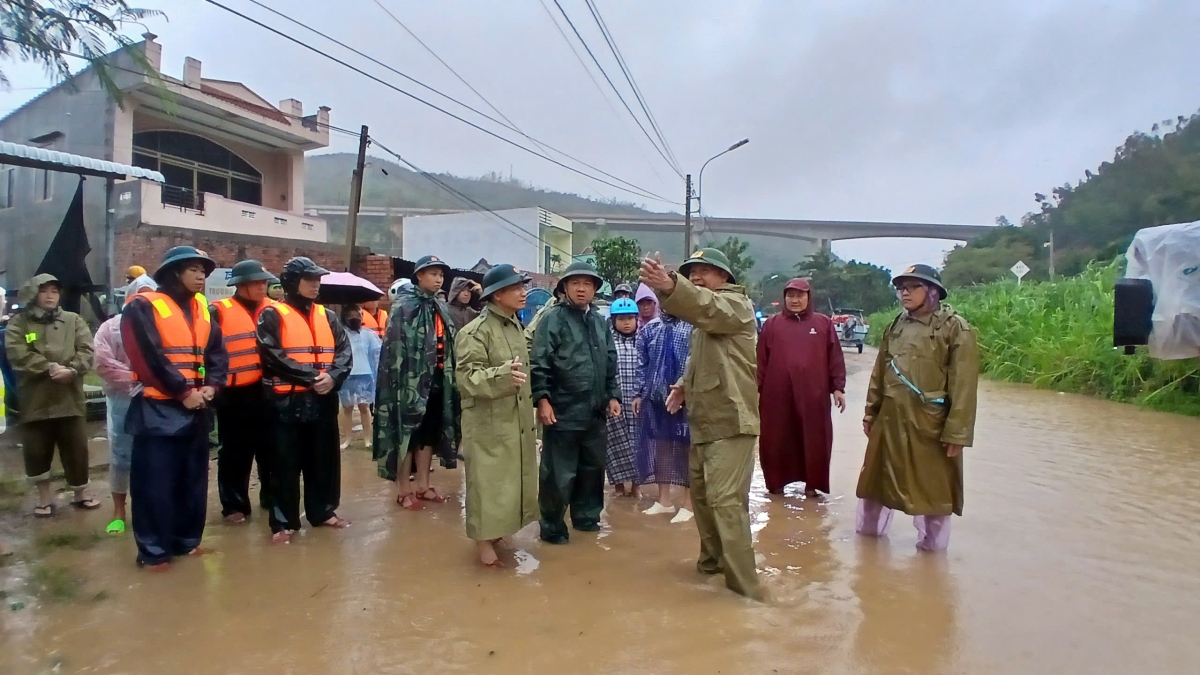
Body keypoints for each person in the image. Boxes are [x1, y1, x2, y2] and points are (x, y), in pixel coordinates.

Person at [639, 248, 764, 601]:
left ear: (724, 276)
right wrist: (682, 385)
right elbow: (700, 358)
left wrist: (670, 285)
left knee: (726, 502)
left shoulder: (735, 305)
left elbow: (707, 308)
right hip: (704, 421)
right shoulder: (702, 324)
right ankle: (712, 567)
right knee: (706, 501)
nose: (696, 276)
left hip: (732, 422)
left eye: (704, 270)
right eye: (691, 271)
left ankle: (746, 591)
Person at [856, 264, 979, 552]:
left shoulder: (955, 328)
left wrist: (957, 433)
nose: (905, 293)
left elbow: (964, 385)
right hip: (890, 420)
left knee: (933, 490)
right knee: (875, 483)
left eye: (913, 287)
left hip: (930, 424)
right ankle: (867, 548)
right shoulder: (895, 326)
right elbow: (880, 372)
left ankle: (932, 553)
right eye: (901, 288)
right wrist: (871, 411)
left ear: (933, 291)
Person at [122, 247, 228, 569]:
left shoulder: (203, 310)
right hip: (158, 410)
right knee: (154, 486)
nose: (201, 277)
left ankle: (186, 541)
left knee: (192, 482)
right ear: (174, 273)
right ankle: (154, 552)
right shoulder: (143, 306)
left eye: (203, 272)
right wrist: (182, 392)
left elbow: (217, 354)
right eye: (193, 270)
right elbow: (147, 357)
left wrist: (213, 385)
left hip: (197, 409)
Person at [257, 257, 353, 544]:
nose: (316, 285)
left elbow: (344, 352)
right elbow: (272, 355)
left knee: (324, 460)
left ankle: (323, 511)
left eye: (317, 280)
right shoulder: (272, 315)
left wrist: (333, 376)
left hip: (323, 399)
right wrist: (312, 377)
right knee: (283, 463)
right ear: (291, 283)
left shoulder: (328, 316)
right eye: (309, 279)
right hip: (286, 402)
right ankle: (283, 521)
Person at [531, 262, 620, 545]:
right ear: (565, 288)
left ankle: (586, 518)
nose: (581, 289)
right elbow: (539, 362)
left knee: (592, 471)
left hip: (595, 412)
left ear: (594, 289)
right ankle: (553, 527)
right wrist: (542, 399)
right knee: (558, 475)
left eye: (587, 284)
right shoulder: (553, 319)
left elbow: (610, 361)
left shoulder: (599, 322)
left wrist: (613, 395)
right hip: (563, 411)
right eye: (575, 283)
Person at [455, 264, 538, 568]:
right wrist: (502, 376)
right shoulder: (474, 332)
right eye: (516, 288)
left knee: (511, 479)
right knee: (486, 483)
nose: (523, 293)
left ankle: (497, 531)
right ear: (497, 295)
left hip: (513, 418)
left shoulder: (514, 326)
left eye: (522, 286)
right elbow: (466, 377)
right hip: (487, 421)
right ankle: (482, 542)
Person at [4, 274, 96, 517]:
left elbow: (87, 349)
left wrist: (73, 370)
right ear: (33, 293)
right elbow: (17, 353)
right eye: (44, 291)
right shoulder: (19, 323)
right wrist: (49, 367)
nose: (49, 296)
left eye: (54, 291)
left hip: (69, 396)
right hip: (35, 398)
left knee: (76, 448)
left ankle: (80, 493)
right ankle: (45, 497)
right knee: (36, 450)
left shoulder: (73, 320)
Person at [373, 255, 461, 510]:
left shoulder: (440, 306)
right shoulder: (404, 307)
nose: (438, 279)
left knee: (429, 434)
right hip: (408, 383)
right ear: (419, 276)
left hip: (438, 381)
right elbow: (394, 351)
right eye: (433, 274)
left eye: (441, 275)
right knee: (407, 435)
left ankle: (423, 485)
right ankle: (404, 489)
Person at [757, 278, 848, 497]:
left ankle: (812, 485)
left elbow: (835, 358)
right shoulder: (772, 324)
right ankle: (776, 484)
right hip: (777, 396)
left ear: (809, 297)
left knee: (815, 437)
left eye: (800, 296)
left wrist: (838, 388)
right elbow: (760, 360)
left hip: (814, 395)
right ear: (784, 298)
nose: (795, 300)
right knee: (775, 437)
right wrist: (756, 390)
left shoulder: (823, 324)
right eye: (790, 296)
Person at [210, 260, 277, 524]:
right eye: (256, 282)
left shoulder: (274, 309)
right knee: (235, 452)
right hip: (233, 393)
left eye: (264, 282)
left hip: (269, 389)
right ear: (240, 285)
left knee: (271, 448)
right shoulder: (218, 311)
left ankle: (271, 496)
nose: (262, 287)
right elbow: (208, 352)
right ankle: (234, 505)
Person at [94, 274, 157, 534]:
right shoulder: (110, 328)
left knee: (155, 454)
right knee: (121, 454)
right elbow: (103, 362)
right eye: (139, 295)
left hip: (157, 396)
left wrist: (154, 379)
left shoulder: (162, 325)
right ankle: (119, 510)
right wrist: (137, 377)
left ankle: (151, 508)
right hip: (122, 399)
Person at [633, 301, 694, 523]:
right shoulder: (650, 328)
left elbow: (698, 362)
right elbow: (642, 363)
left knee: (688, 449)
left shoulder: (693, 327)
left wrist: (687, 389)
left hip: (687, 398)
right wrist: (638, 393)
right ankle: (664, 501)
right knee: (662, 447)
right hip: (656, 398)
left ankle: (688, 504)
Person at [605, 298, 641, 498]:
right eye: (621, 319)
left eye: (630, 318)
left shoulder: (643, 341)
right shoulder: (607, 343)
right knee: (614, 444)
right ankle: (618, 487)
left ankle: (637, 486)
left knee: (638, 443)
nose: (626, 323)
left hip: (637, 402)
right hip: (614, 401)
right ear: (613, 321)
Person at [338, 304, 382, 449]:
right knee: (347, 408)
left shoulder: (369, 334)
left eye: (357, 315)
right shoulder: (341, 334)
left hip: (365, 374)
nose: (354, 318)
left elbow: (376, 354)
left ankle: (367, 439)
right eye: (350, 316)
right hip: (347, 375)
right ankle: (347, 439)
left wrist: (377, 373)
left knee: (364, 407)